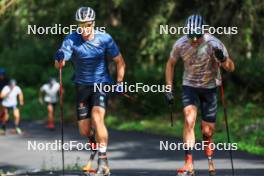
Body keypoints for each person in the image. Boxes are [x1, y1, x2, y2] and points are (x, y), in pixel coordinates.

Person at [54, 7, 125, 175]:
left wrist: (120, 82)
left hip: (101, 84)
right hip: (82, 86)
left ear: (93, 23)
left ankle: (103, 161)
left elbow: (120, 61)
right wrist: (59, 59)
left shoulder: (105, 38)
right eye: (80, 25)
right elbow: (60, 64)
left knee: (97, 117)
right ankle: (95, 145)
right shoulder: (72, 39)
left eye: (87, 24)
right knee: (84, 130)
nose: (84, 28)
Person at [165, 15, 235, 176]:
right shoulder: (180, 44)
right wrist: (168, 88)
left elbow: (231, 67)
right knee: (189, 120)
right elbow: (170, 64)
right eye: (191, 35)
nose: (195, 39)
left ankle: (209, 155)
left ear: (204, 30)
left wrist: (223, 59)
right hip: (189, 86)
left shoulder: (214, 43)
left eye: (198, 35)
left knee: (207, 131)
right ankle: (189, 163)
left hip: (209, 89)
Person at [0, 68, 9, 134]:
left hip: (5, 96)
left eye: (2, 74)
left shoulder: (7, 80)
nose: (1, 76)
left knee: (5, 110)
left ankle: (3, 123)